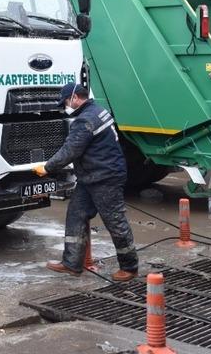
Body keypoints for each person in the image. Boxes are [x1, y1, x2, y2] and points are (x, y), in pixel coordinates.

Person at [33, 83, 138, 282]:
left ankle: (129, 267)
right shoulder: (98, 111)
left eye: (65, 102)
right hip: (92, 176)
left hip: (104, 177)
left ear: (75, 98)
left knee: (115, 221)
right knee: (76, 214)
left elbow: (70, 150)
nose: (66, 106)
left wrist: (47, 167)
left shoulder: (85, 121)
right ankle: (72, 264)